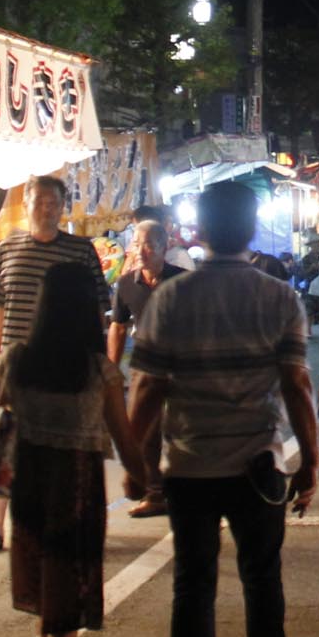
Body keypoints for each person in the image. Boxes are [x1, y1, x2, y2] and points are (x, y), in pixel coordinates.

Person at [126, 179, 319, 637]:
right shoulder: (278, 298)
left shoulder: (170, 300)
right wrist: (310, 461)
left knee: (194, 588)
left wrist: (138, 464)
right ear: (252, 229)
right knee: (262, 579)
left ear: (200, 233)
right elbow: (296, 385)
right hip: (258, 462)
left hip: (187, 465)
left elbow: (148, 389)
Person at [3, 260, 137, 637]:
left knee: (46, 602)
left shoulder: (16, 359)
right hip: (75, 495)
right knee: (65, 616)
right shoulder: (97, 371)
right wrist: (145, 476)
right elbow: (125, 440)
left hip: (29, 489)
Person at [0, 175, 106, 550]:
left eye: (54, 202)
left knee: (57, 443)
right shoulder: (8, 248)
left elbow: (98, 307)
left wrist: (98, 359)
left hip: (68, 361)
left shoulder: (80, 250)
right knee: (11, 435)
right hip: (18, 362)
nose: (47, 208)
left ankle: (53, 520)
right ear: (26, 203)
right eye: (40, 201)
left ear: (63, 208)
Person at [108, 220, 181, 521]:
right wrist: (110, 370)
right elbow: (118, 327)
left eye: (150, 244)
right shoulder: (126, 284)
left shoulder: (183, 281)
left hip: (182, 367)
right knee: (145, 432)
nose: (143, 250)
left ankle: (189, 490)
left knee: (182, 430)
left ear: (166, 246)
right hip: (144, 366)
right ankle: (154, 493)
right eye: (138, 244)